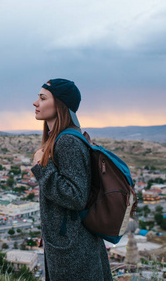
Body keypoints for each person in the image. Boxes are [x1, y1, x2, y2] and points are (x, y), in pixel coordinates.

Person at [31, 78, 112, 280]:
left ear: (60, 104)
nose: (35, 103)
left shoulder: (67, 141)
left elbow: (76, 196)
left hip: (74, 250)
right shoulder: (61, 138)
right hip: (69, 246)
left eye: (42, 98)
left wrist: (42, 168)